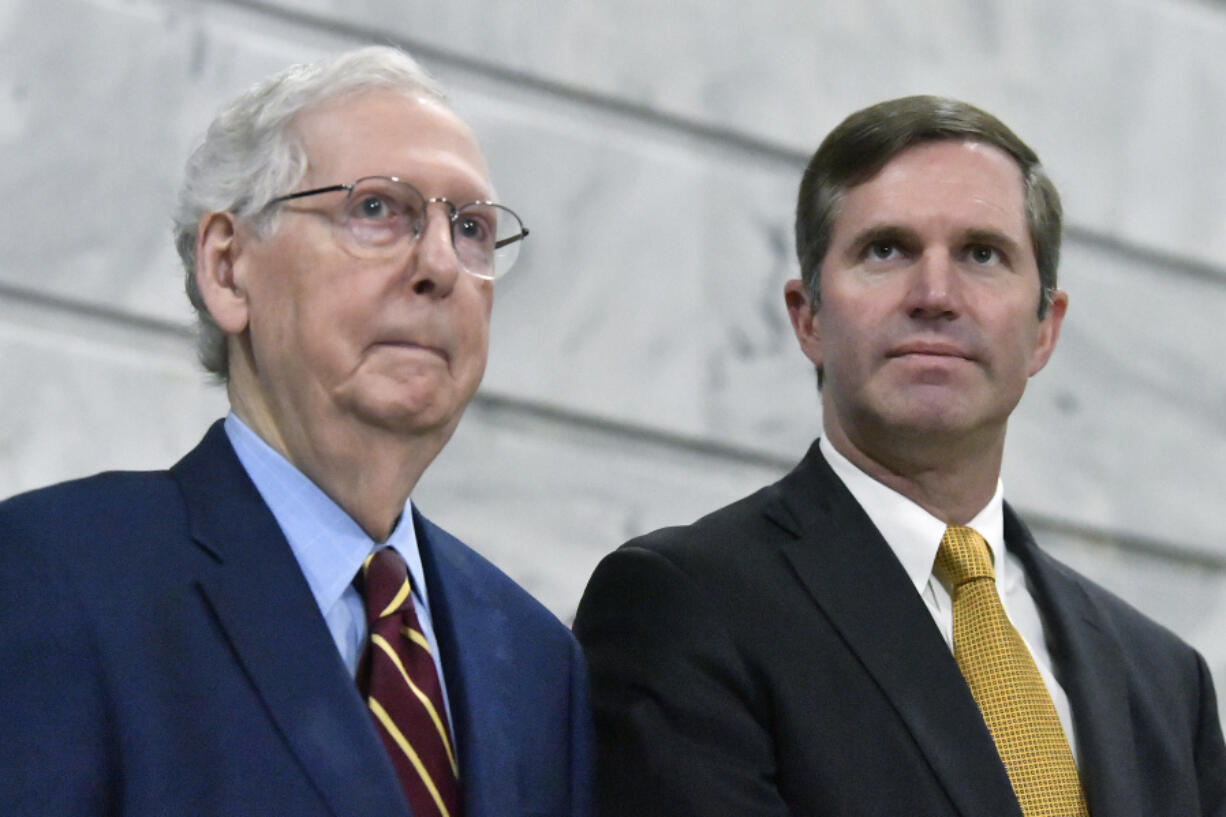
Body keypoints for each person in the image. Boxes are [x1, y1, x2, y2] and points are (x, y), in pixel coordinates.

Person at [574, 95, 1226, 816]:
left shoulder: (1166, 682)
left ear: (1045, 328)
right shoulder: (683, 606)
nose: (936, 295)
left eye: (983, 253)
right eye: (886, 249)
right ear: (808, 317)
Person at [0, 46, 592, 817]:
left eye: (472, 226)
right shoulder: (61, 578)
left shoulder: (540, 662)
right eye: (378, 209)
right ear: (228, 267)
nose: (440, 265)